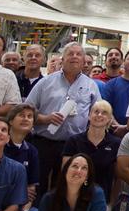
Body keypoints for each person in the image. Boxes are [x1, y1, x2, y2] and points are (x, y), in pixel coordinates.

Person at [27, 42, 102, 191]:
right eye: (70, 54)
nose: (74, 57)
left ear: (84, 60)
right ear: (63, 58)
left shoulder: (91, 85)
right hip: (44, 143)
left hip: (75, 146)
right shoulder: (45, 82)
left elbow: (97, 112)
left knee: (65, 189)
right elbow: (27, 110)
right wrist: (45, 119)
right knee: (38, 186)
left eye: (78, 54)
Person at [62, 100, 122, 205]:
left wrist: (111, 204)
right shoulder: (73, 141)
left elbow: (118, 179)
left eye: (104, 113)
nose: (99, 115)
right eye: (96, 111)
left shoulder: (116, 144)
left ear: (110, 119)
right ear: (89, 116)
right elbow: (65, 172)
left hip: (102, 201)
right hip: (75, 199)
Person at [5, 102, 42, 211]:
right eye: (21, 115)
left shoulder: (32, 151)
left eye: (29, 116)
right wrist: (19, 190)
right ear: (10, 121)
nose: (26, 119)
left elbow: (31, 190)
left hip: (19, 206)